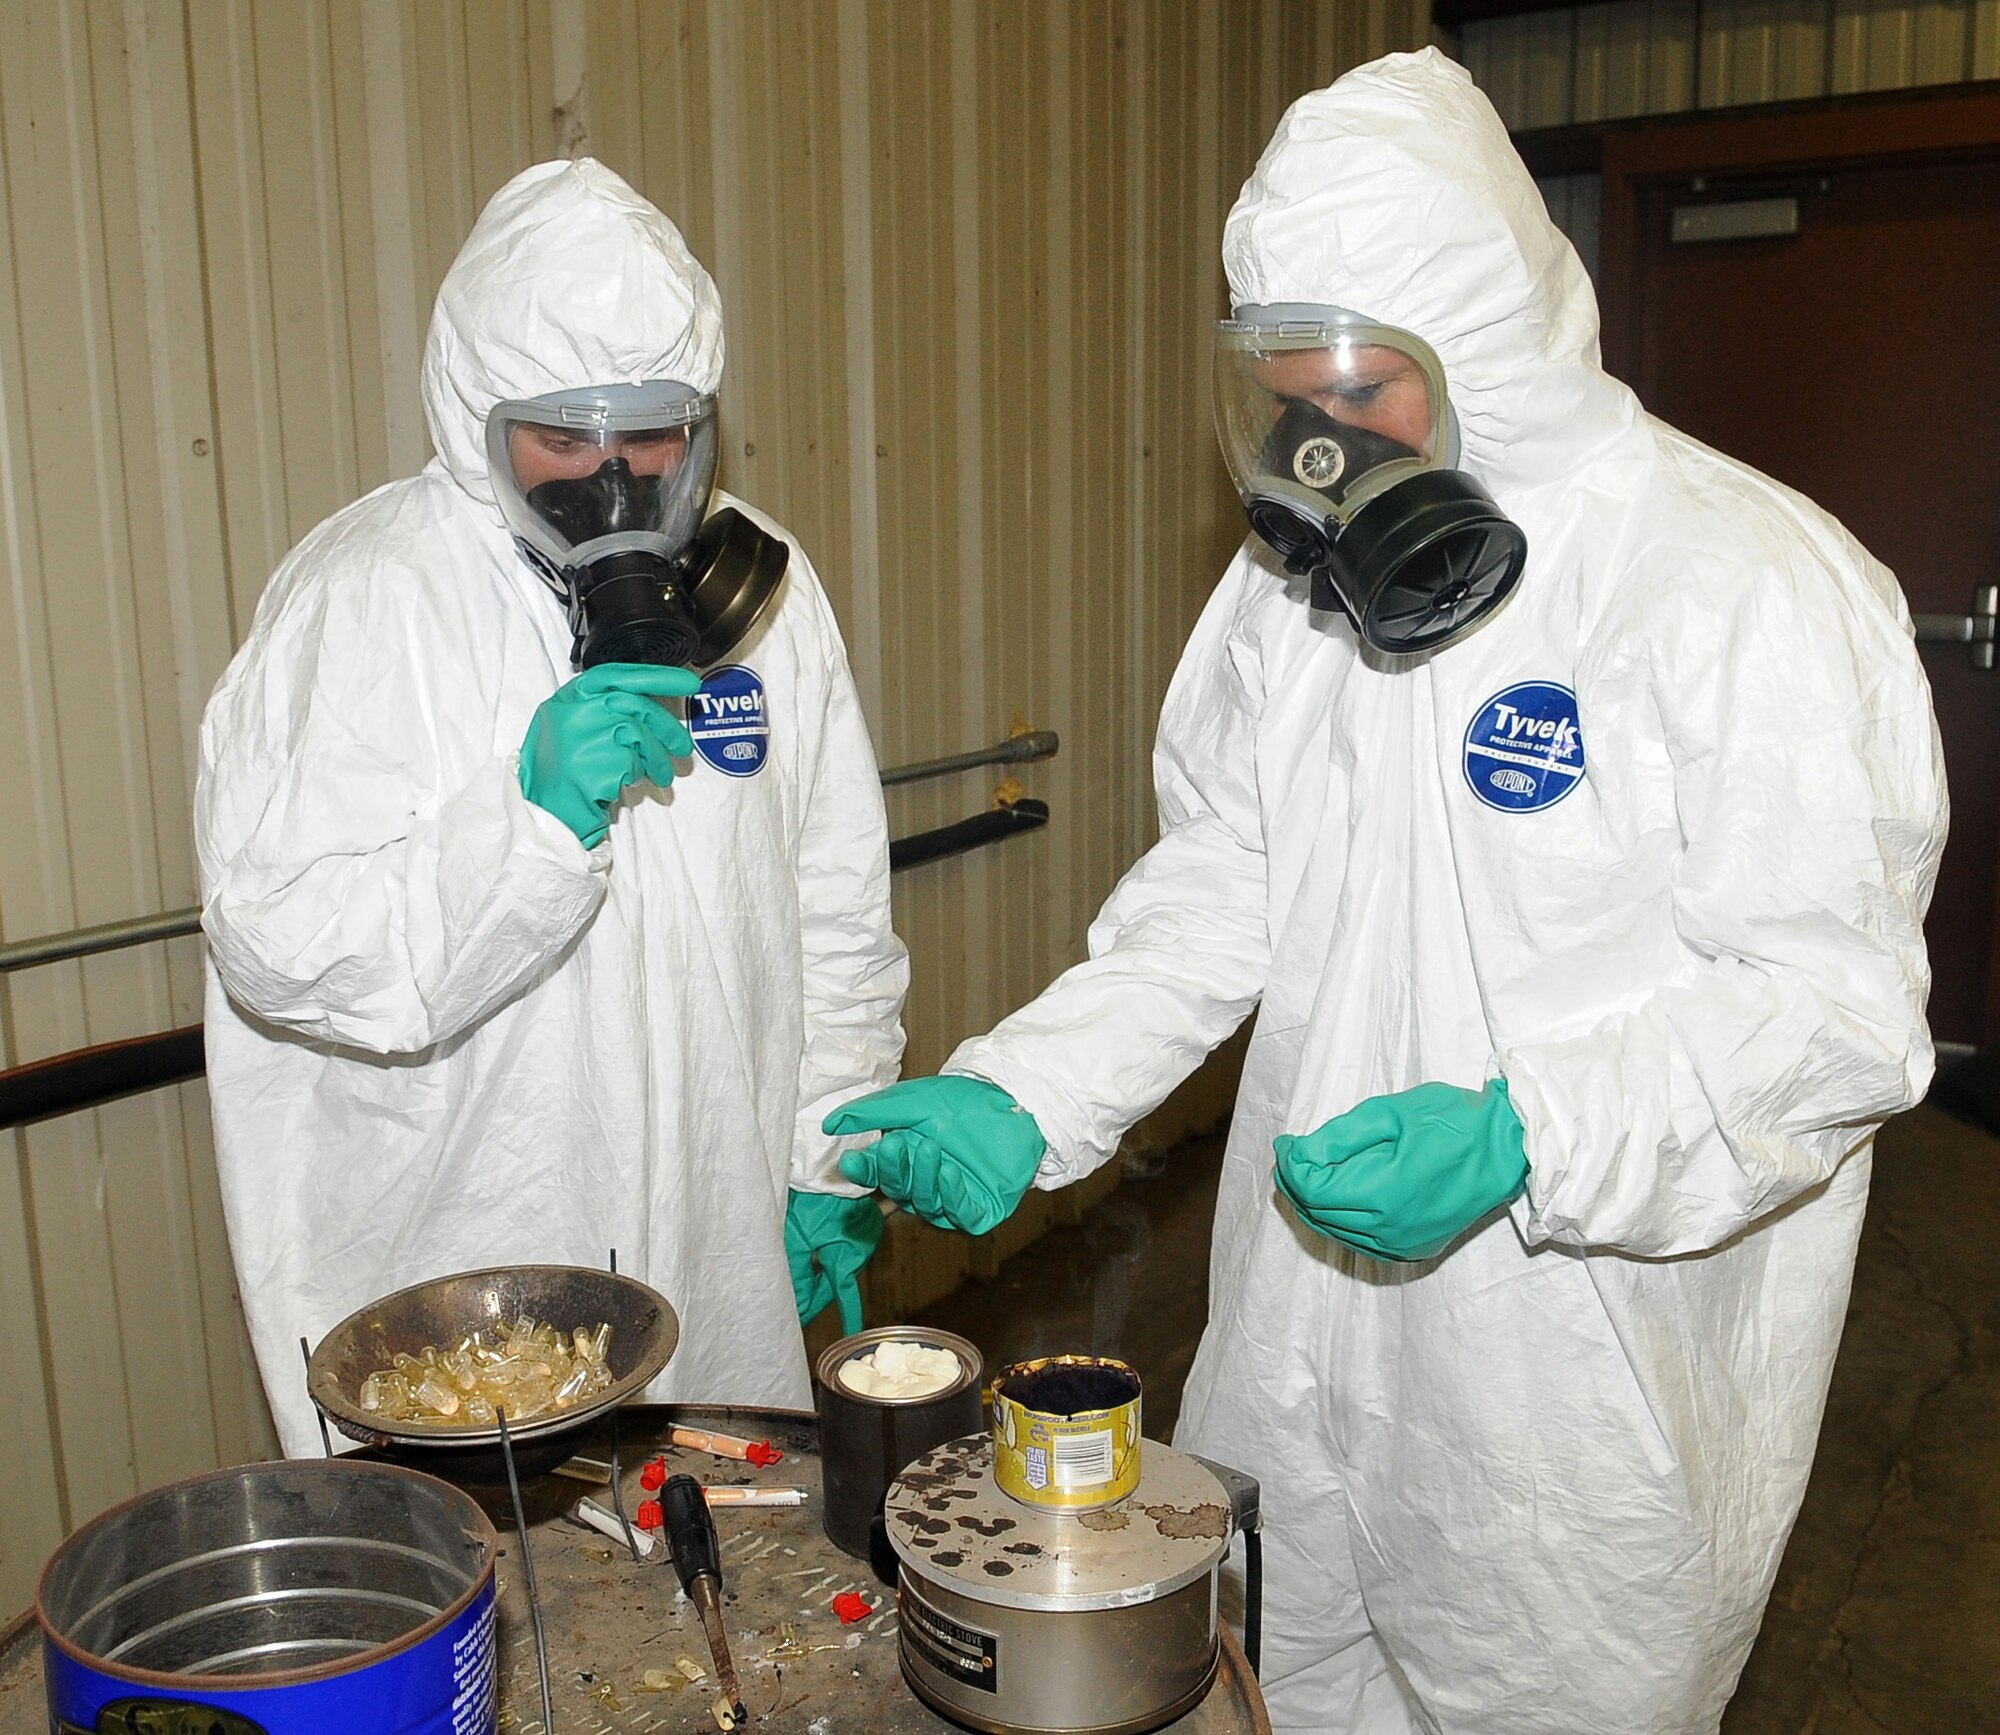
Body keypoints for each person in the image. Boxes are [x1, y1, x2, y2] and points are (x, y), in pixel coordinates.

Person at [825, 51, 1946, 1734]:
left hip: (1583, 1423)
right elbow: (1222, 884)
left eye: (1360, 393)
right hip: (1298, 1356)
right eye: (1285, 395)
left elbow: (1835, 1017)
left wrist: (1534, 1135)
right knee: (1265, 1694)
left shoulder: (1747, 586)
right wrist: (1027, 1089)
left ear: (1484, 351)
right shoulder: (1294, 605)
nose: (1316, 451)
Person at [198, 158, 906, 1458]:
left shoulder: (761, 597)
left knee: (722, 1589)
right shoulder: (364, 602)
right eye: (562, 437)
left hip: (715, 1225)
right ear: (478, 413)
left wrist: (825, 1156)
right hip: (463, 1250)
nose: (613, 477)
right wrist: (527, 827)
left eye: (651, 433)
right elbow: (276, 946)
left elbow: (832, 901)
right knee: (496, 1611)